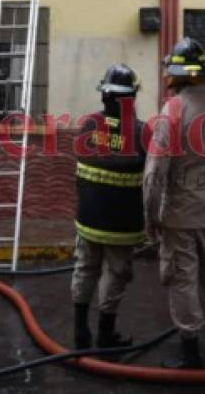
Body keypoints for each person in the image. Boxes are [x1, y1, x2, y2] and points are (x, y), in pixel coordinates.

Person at [144, 37, 205, 369]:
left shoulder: (173, 109)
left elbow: (155, 170)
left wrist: (151, 215)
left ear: (176, 74)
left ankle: (190, 353)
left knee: (183, 279)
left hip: (180, 217)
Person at [71, 64, 147, 350]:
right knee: (114, 275)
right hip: (122, 226)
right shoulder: (141, 133)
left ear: (104, 96)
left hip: (88, 219)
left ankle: (80, 333)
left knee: (85, 269)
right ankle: (105, 334)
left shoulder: (88, 125)